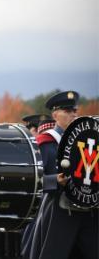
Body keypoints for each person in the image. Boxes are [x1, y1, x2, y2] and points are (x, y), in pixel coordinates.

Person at [28, 91, 98, 259]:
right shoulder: (46, 142)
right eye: (67, 111)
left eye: (74, 111)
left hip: (90, 211)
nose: (73, 114)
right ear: (55, 115)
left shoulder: (90, 140)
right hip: (60, 210)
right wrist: (55, 181)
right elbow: (34, 180)